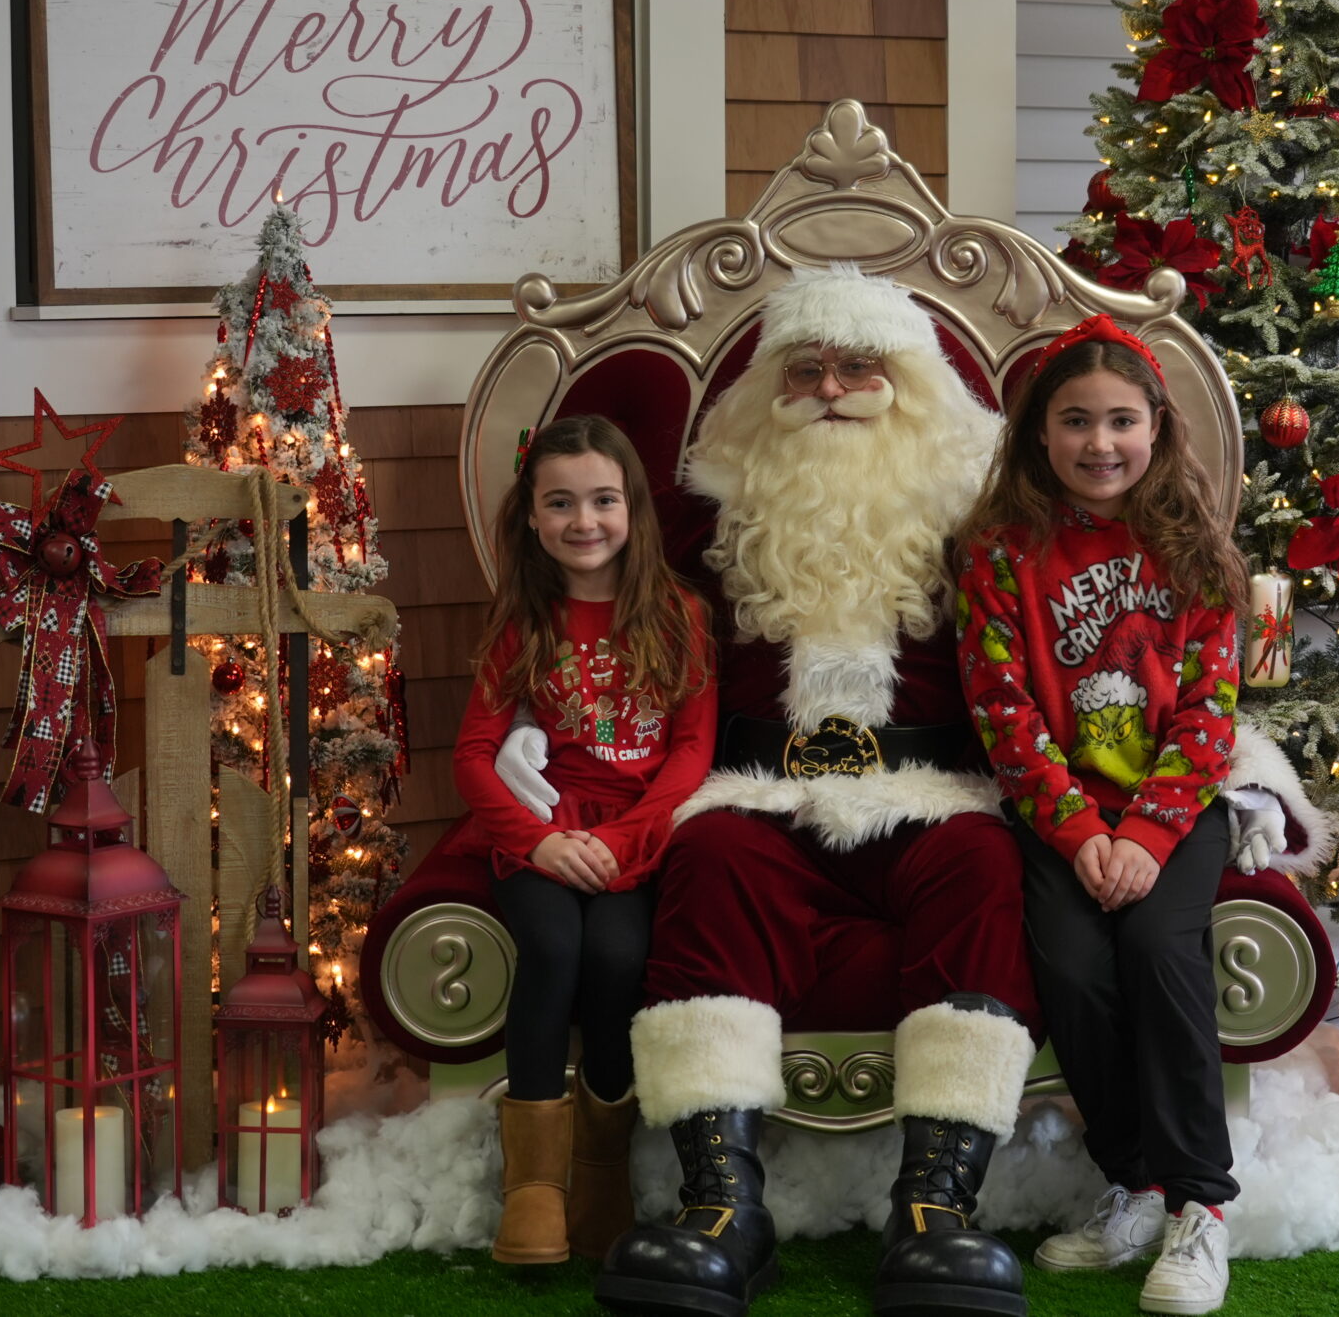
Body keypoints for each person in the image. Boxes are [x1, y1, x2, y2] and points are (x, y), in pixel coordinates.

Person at [503, 265, 1037, 1317]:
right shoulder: (706, 513)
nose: (830, 389)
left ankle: (936, 1205)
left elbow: (1076, 640)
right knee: (710, 859)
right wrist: (530, 715)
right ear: (769, 388)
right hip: (758, 789)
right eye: (806, 369)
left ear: (912, 382)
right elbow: (599, 606)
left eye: (859, 367)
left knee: (982, 865)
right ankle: (722, 1205)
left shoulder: (982, 513)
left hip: (934, 790)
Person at [952, 315, 1260, 1317]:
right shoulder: (999, 553)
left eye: (1121, 420)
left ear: (1155, 426)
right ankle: (1134, 1183)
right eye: (1076, 421)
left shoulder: (1196, 550)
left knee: (1160, 952)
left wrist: (1149, 835)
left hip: (1175, 808)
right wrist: (1083, 832)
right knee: (1075, 969)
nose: (1099, 443)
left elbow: (1211, 711)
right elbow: (1002, 710)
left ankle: (1200, 1205)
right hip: (1063, 816)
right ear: (1039, 433)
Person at [450, 415, 715, 1264]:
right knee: (554, 946)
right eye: (560, 503)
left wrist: (624, 838)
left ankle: (602, 1167)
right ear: (532, 516)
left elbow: (691, 752)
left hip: (635, 840)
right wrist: (539, 843)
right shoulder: (523, 619)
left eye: (602, 500)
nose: (583, 520)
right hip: (541, 835)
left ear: (632, 507)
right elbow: (473, 754)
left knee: (615, 957)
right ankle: (532, 1186)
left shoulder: (679, 615)